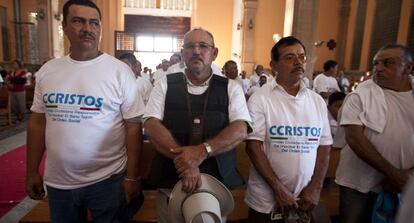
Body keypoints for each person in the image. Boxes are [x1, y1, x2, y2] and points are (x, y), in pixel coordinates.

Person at [25, 0, 145, 222]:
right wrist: (32, 170)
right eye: (79, 21)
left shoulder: (119, 72)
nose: (88, 29)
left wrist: (132, 177)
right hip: (59, 182)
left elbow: (133, 127)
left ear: (100, 28)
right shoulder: (48, 71)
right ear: (65, 26)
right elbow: (38, 123)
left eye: (94, 23)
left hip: (106, 181)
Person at [143, 27, 252, 223]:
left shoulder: (230, 88)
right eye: (190, 46)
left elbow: (240, 129)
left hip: (215, 186)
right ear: (183, 53)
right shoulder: (164, 84)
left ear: (214, 53)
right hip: (170, 182)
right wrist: (186, 162)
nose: (196, 51)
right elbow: (151, 124)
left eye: (203, 46)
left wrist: (202, 151)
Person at [245, 36, 332, 222]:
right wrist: (278, 189)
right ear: (273, 65)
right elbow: (253, 147)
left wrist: (315, 188)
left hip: (306, 200)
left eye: (301, 57)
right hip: (266, 201)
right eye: (289, 57)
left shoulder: (316, 101)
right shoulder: (260, 98)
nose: (298, 62)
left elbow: (324, 147)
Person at [335, 43, 414, 223]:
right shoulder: (359, 96)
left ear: (408, 67)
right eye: (375, 63)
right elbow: (355, 138)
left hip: (407, 184)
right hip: (359, 186)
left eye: (387, 63)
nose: (378, 68)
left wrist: (408, 176)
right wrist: (394, 174)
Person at [5, 59, 27, 123]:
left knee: (21, 104)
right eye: (13, 64)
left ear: (18, 64)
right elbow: (7, 79)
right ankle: (17, 117)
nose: (14, 65)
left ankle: (22, 117)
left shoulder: (23, 72)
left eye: (15, 64)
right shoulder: (11, 72)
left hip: (20, 90)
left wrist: (13, 80)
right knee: (14, 105)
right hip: (11, 90)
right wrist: (9, 83)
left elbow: (23, 81)